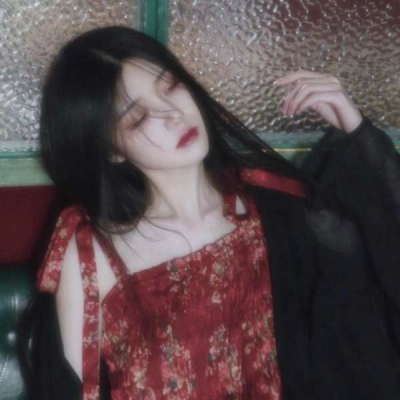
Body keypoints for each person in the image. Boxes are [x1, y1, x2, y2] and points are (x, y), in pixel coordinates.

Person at [20, 26, 400, 400]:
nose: (173, 114)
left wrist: (355, 130)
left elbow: (381, 269)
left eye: (171, 86)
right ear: (111, 150)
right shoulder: (93, 255)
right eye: (138, 117)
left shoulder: (277, 206)